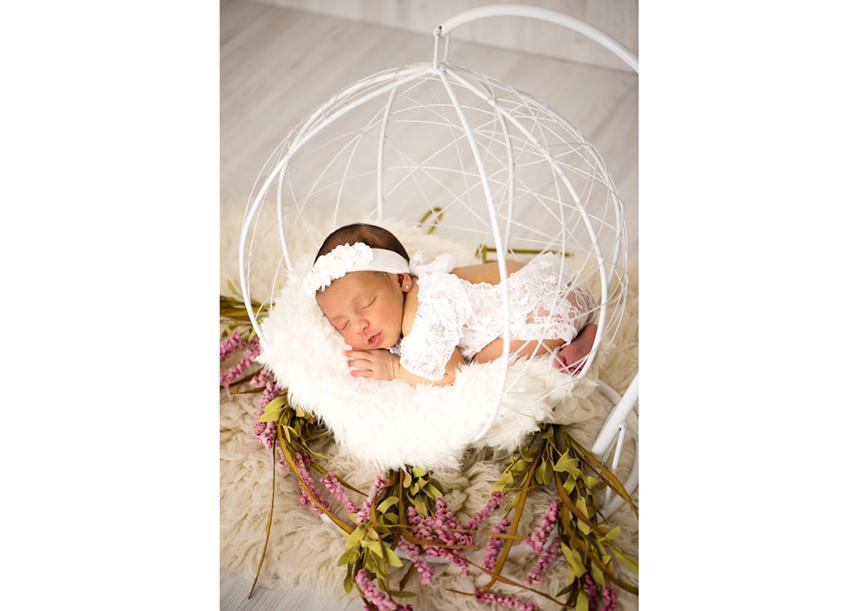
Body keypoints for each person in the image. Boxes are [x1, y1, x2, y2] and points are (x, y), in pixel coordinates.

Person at [304, 223, 598, 387]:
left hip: (551, 305)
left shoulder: (420, 314)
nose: (359, 325)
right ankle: (582, 330)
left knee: (478, 364)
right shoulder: (421, 288)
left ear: (402, 280)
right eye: (342, 324)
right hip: (560, 283)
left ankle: (574, 340)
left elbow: (450, 373)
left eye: (367, 304)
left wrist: (394, 368)